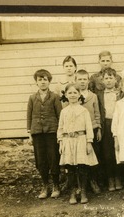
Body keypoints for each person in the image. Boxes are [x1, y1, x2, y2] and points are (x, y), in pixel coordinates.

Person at [57, 83, 99, 204]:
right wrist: (60, 142)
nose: (73, 95)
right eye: (70, 93)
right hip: (68, 141)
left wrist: (89, 142)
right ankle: (73, 192)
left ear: (79, 94)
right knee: (70, 168)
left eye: (75, 92)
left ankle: (84, 191)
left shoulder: (84, 111)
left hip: (81, 139)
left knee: (82, 166)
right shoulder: (64, 111)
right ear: (65, 95)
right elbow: (60, 128)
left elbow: (89, 128)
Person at [27, 69, 62, 199]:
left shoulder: (54, 97)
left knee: (53, 158)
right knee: (41, 160)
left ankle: (56, 186)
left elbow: (60, 115)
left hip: (52, 132)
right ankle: (45, 185)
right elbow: (29, 116)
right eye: (40, 80)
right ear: (36, 82)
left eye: (45, 79)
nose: (42, 82)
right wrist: (29, 133)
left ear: (49, 81)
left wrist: (60, 132)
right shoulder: (32, 98)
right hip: (37, 133)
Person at [95, 67, 123, 191]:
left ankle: (118, 177)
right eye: (106, 78)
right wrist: (100, 128)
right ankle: (110, 179)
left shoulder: (120, 93)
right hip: (106, 124)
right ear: (102, 80)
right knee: (107, 154)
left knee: (118, 151)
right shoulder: (99, 95)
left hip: (119, 124)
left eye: (111, 78)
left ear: (115, 79)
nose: (109, 81)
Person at [75, 69, 102, 194]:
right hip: (79, 131)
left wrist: (99, 128)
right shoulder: (73, 96)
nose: (82, 82)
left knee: (93, 156)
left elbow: (97, 114)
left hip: (92, 128)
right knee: (80, 158)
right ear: (76, 81)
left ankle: (93, 181)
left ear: (88, 80)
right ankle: (81, 185)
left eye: (84, 79)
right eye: (79, 79)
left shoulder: (93, 96)